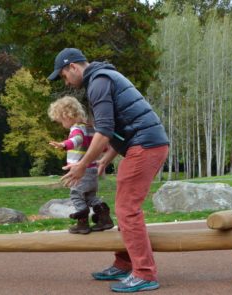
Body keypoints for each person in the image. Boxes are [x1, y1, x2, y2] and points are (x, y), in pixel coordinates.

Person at [48, 48, 169, 293]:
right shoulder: (102, 78)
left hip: (145, 145)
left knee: (127, 208)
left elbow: (104, 131)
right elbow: (116, 128)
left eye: (63, 76)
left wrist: (82, 166)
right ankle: (125, 263)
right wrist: (106, 158)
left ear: (73, 67)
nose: (66, 82)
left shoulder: (98, 82)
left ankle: (144, 273)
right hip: (144, 143)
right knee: (124, 205)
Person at [48, 95, 114, 234]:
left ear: (67, 116)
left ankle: (82, 223)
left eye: (60, 121)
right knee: (90, 196)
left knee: (76, 195)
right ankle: (105, 218)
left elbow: (77, 139)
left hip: (81, 172)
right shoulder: (91, 128)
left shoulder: (76, 128)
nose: (61, 124)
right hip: (92, 170)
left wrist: (64, 144)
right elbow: (103, 146)